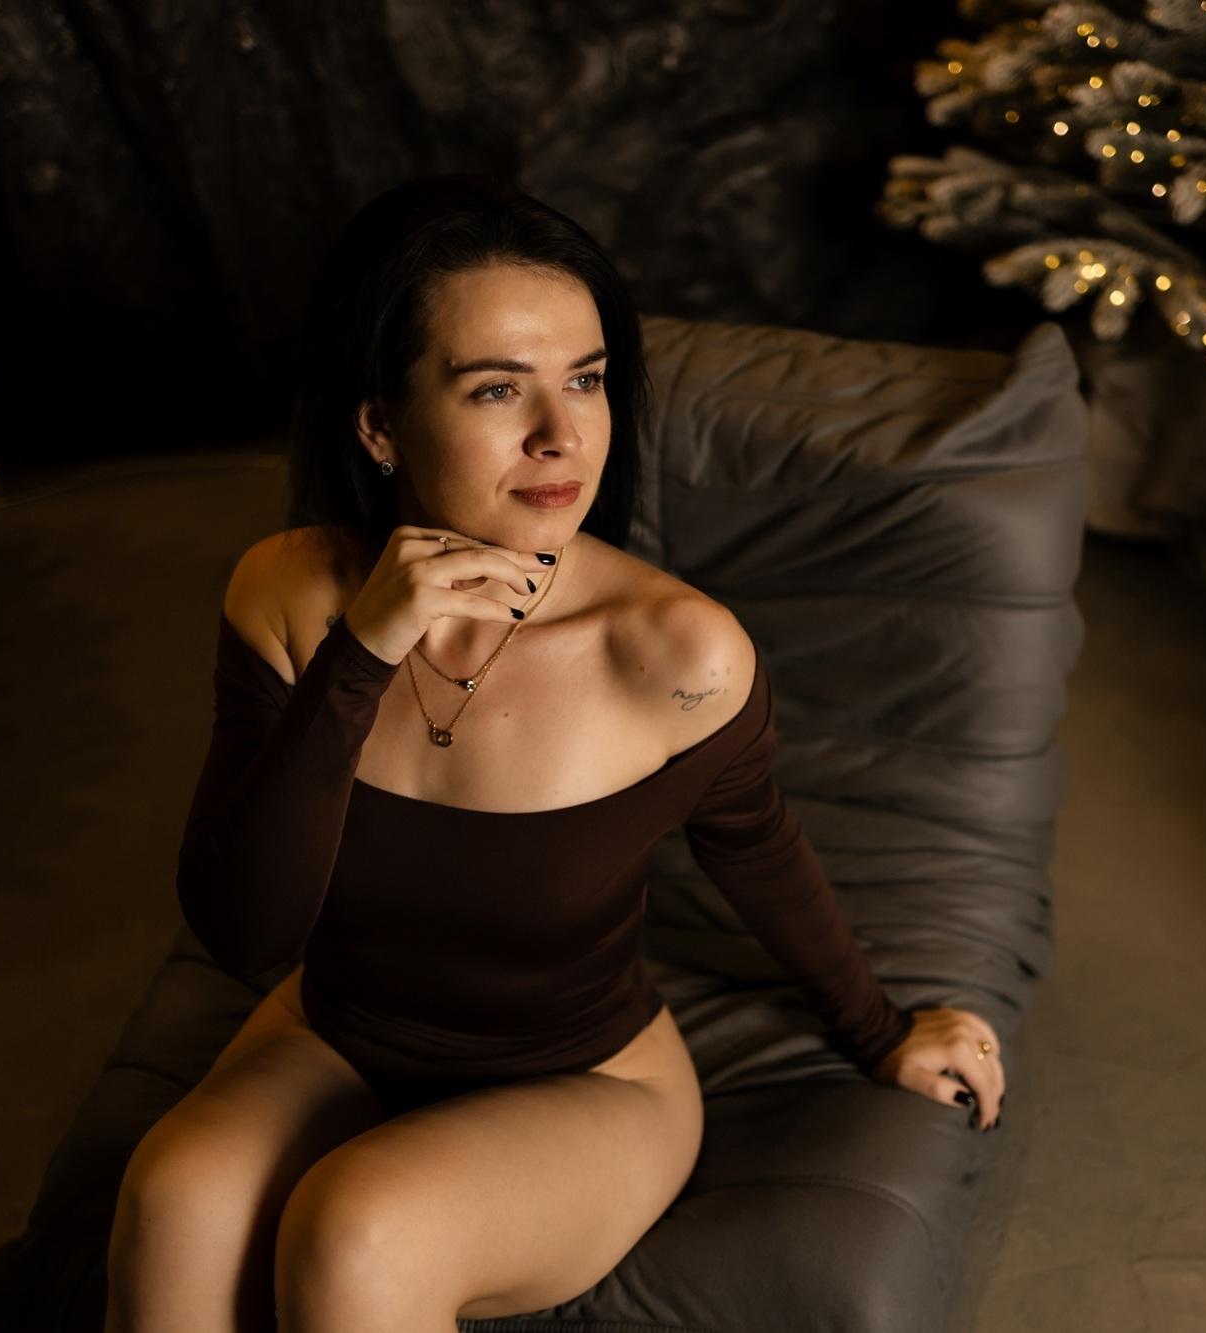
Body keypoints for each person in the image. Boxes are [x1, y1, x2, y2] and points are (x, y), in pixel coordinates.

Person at [104, 172, 1006, 1331]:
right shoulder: (285, 592)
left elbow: (755, 845)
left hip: (584, 1081)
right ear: (379, 425)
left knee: (360, 1227)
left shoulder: (673, 651)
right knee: (173, 1197)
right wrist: (360, 660)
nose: (561, 433)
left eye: (585, 379)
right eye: (497, 388)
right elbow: (244, 933)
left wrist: (881, 1033)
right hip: (336, 1032)